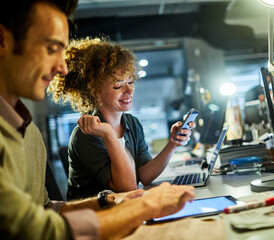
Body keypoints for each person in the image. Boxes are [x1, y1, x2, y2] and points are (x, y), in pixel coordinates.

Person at [0, 1, 194, 239]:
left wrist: (113, 200)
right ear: (2, 40)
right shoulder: (86, 132)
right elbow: (35, 231)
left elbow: (46, 209)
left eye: (130, 82)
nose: (61, 67)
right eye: (51, 48)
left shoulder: (30, 132)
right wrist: (142, 205)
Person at [47, 37, 195, 200]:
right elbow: (127, 187)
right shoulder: (86, 134)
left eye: (130, 82)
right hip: (95, 218)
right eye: (118, 85)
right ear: (95, 91)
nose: (129, 90)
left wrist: (173, 144)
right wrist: (110, 135)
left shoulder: (131, 123)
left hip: (121, 209)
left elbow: (144, 175)